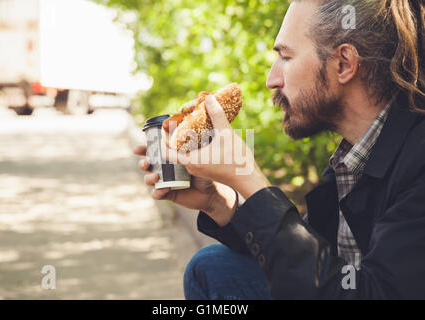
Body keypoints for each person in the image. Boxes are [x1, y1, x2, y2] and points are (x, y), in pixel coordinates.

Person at [133, 0, 424, 299]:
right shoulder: (354, 157)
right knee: (211, 267)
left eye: (285, 56)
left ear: (344, 64)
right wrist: (219, 203)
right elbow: (311, 261)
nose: (272, 79)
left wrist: (250, 180)